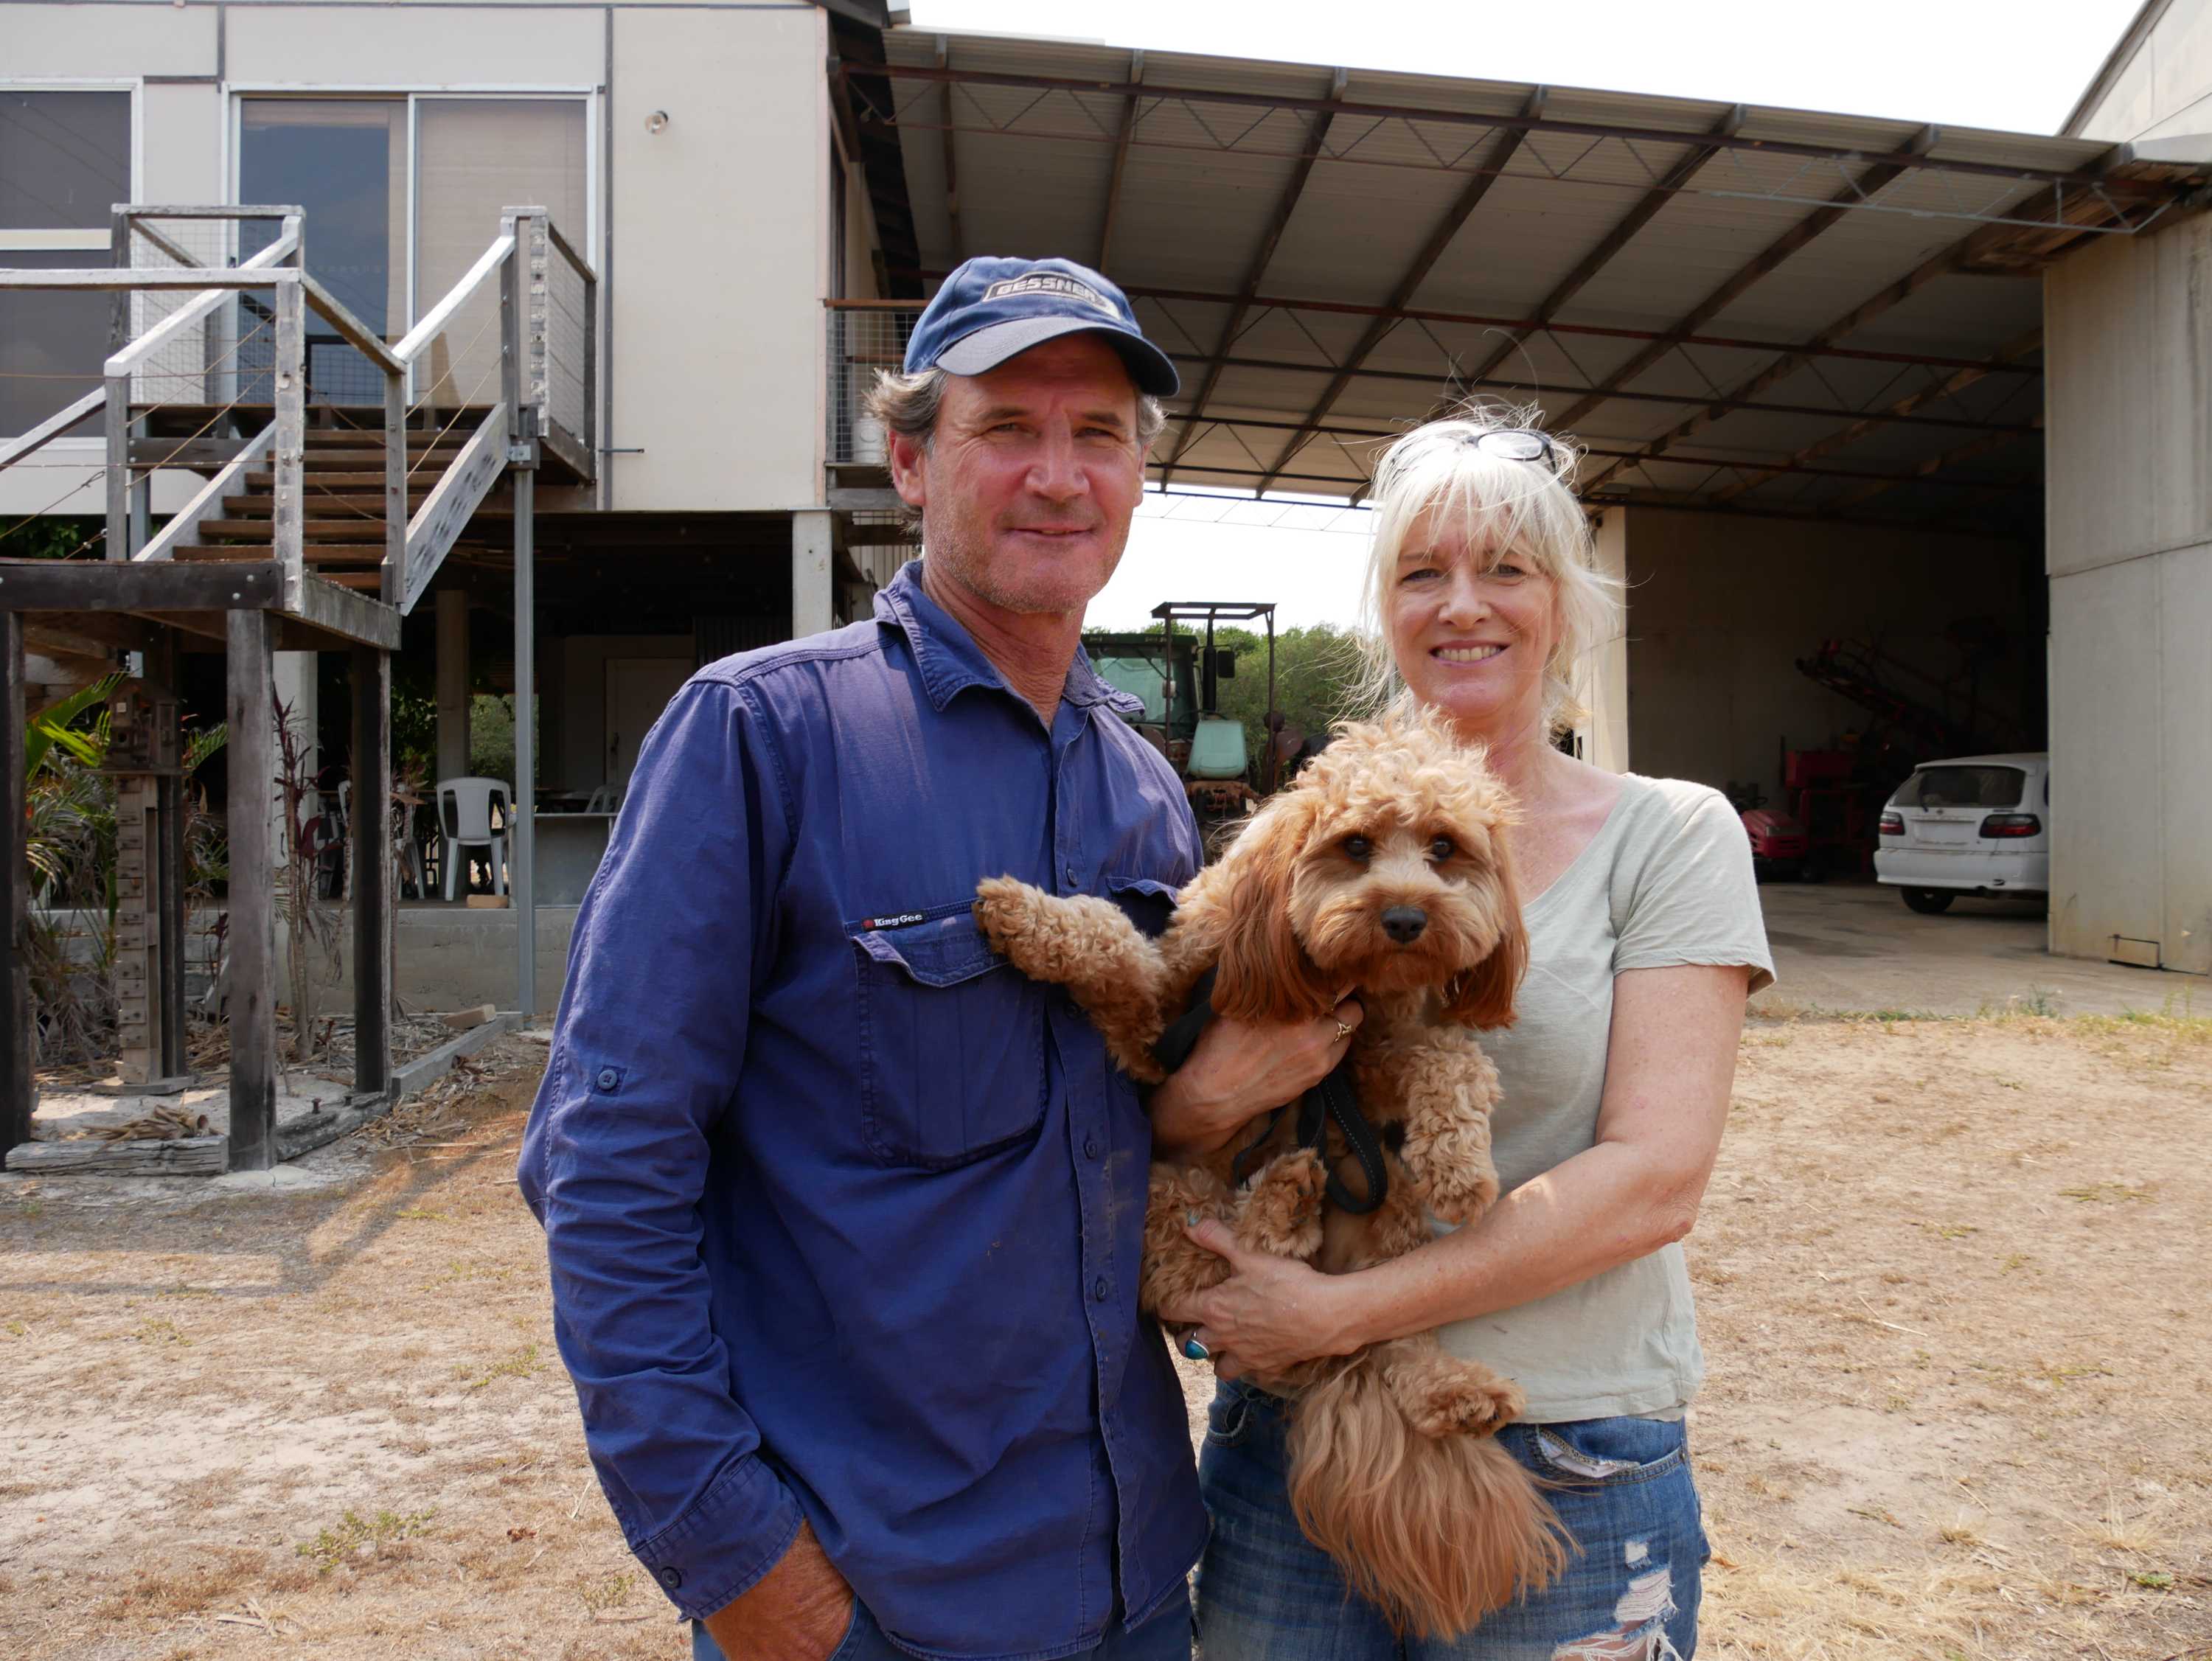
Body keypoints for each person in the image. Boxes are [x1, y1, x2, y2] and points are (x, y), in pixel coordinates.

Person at [514, 255, 1358, 1661]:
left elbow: (1133, 1148)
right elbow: (604, 1168)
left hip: (1137, 1576)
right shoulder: (764, 738)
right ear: (909, 459)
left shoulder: (1144, 793)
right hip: (878, 1597)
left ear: (1140, 479)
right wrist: (741, 1564)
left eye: (1098, 434)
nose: (1058, 474)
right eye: (1005, 429)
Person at [1158, 406, 1775, 1659]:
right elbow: (1165, 1104)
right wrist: (1203, 1098)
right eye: (1423, 571)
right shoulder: (1299, 838)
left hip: (1566, 1444)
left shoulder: (1674, 833)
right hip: (1294, 1434)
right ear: (1386, 605)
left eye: (1506, 566)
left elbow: (1654, 1180)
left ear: (1566, 601)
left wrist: (1347, 1309)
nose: (1463, 605)